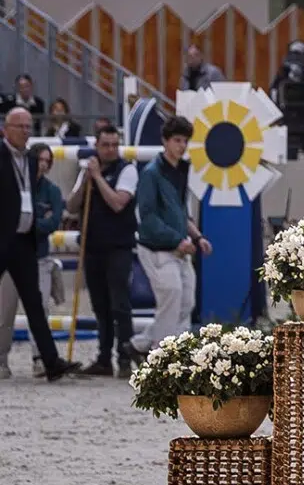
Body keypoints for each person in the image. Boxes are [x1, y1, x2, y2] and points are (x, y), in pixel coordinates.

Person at [0, 109, 75, 380]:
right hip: (2, 237)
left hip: (24, 241)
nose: (25, 131)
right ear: (5, 128)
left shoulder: (31, 160)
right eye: (19, 126)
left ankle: (51, 362)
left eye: (29, 126)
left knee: (35, 303)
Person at [132, 117, 211, 353]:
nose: (182, 146)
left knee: (186, 301)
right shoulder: (151, 174)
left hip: (179, 247)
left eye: (185, 141)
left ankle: (140, 344)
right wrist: (179, 240)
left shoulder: (180, 171)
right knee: (172, 297)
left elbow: (180, 212)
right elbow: (148, 217)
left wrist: (197, 237)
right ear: (165, 141)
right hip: (157, 248)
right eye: (177, 140)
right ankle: (162, 355)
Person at [67, 125, 141, 376]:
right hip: (93, 247)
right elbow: (72, 205)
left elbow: (118, 203)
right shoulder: (88, 169)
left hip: (118, 247)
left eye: (114, 144)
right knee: (100, 305)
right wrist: (85, 181)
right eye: (105, 144)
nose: (110, 149)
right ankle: (103, 359)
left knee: (120, 304)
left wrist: (98, 178)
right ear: (96, 145)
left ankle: (124, 357)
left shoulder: (127, 169)